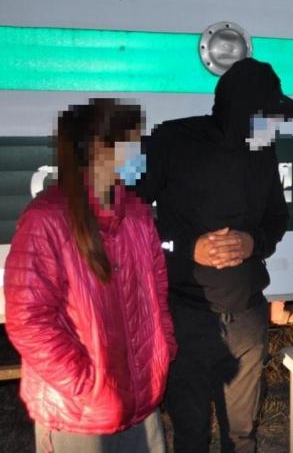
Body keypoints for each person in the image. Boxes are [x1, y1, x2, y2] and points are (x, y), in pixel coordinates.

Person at [137, 58, 293, 453]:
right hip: (186, 316)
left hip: (246, 316)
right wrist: (186, 247)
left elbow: (277, 219)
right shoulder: (169, 140)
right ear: (238, 109)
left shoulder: (261, 150)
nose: (272, 127)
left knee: (242, 435)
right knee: (191, 434)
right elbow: (126, 217)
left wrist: (252, 242)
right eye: (265, 116)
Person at [4, 99, 177, 453]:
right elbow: (28, 319)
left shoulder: (137, 214)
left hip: (140, 399)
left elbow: (156, 293)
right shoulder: (46, 219)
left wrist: (162, 351)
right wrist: (87, 384)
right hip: (78, 413)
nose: (140, 152)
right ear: (100, 148)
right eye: (133, 141)